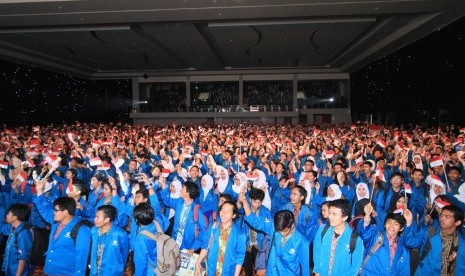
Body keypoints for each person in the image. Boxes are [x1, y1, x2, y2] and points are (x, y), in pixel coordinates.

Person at [240, 191, 310, 276]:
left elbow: (305, 270)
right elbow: (253, 220)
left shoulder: (302, 242)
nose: (281, 233)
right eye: (279, 230)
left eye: (284, 231)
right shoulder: (273, 227)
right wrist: (244, 200)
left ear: (292, 226)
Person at [33, 183, 92, 275]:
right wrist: (40, 191)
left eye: (56, 210)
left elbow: (82, 257)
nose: (53, 213)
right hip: (51, 269)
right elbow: (44, 210)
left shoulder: (81, 229)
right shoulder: (56, 222)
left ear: (65, 212)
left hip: (66, 272)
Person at [357, 203, 417, 275]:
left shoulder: (403, 251)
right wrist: (367, 215)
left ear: (401, 228)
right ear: (384, 225)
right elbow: (364, 232)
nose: (391, 226)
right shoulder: (375, 237)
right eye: (389, 222)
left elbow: (404, 273)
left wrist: (409, 222)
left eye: (396, 224)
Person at [407, 205, 465, 275]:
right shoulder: (431, 232)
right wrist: (408, 224)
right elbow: (411, 242)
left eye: (447, 217)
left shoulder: (461, 244)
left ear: (457, 222)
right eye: (441, 215)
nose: (442, 218)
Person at [195, 200, 246, 276]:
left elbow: (240, 257)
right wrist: (197, 262)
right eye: (222, 210)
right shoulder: (213, 227)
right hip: (211, 269)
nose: (223, 213)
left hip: (228, 271)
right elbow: (205, 246)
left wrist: (236, 274)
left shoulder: (239, 234)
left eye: (228, 211)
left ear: (234, 215)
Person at [313, 199, 363, 276]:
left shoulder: (355, 239)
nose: (330, 216)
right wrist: (317, 271)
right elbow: (317, 251)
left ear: (344, 217)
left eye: (334, 214)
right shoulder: (323, 230)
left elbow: (355, 267)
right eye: (329, 213)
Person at [90, 205, 129, 275]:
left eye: (97, 217)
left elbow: (124, 256)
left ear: (107, 219)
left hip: (111, 272)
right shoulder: (93, 231)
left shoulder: (120, 234)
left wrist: (118, 269)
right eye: (95, 216)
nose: (94, 219)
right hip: (94, 272)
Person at [0, 203, 33, 276]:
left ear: (14, 217)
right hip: (9, 269)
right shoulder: (12, 227)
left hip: (17, 271)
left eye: (8, 214)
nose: (6, 216)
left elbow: (23, 259)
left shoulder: (24, 233)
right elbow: (1, 228)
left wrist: (18, 274)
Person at [133, 202, 158, 276]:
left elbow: (141, 262)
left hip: (148, 271)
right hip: (158, 265)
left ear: (137, 220)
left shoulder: (141, 238)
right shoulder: (156, 224)